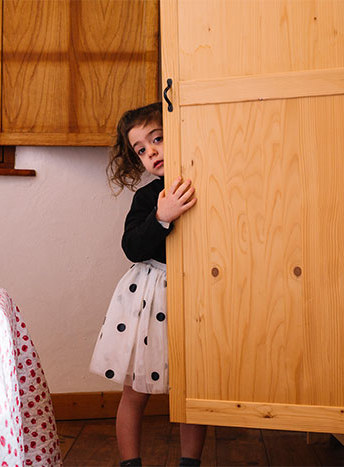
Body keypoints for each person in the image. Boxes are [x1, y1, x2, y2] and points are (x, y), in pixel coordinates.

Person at [90, 102, 206, 466]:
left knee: (194, 389)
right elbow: (132, 248)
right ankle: (131, 463)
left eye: (157, 139)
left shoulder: (204, 184)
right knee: (136, 390)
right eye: (141, 148)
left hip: (198, 292)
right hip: (152, 298)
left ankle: (190, 462)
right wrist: (162, 215)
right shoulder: (146, 197)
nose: (151, 151)